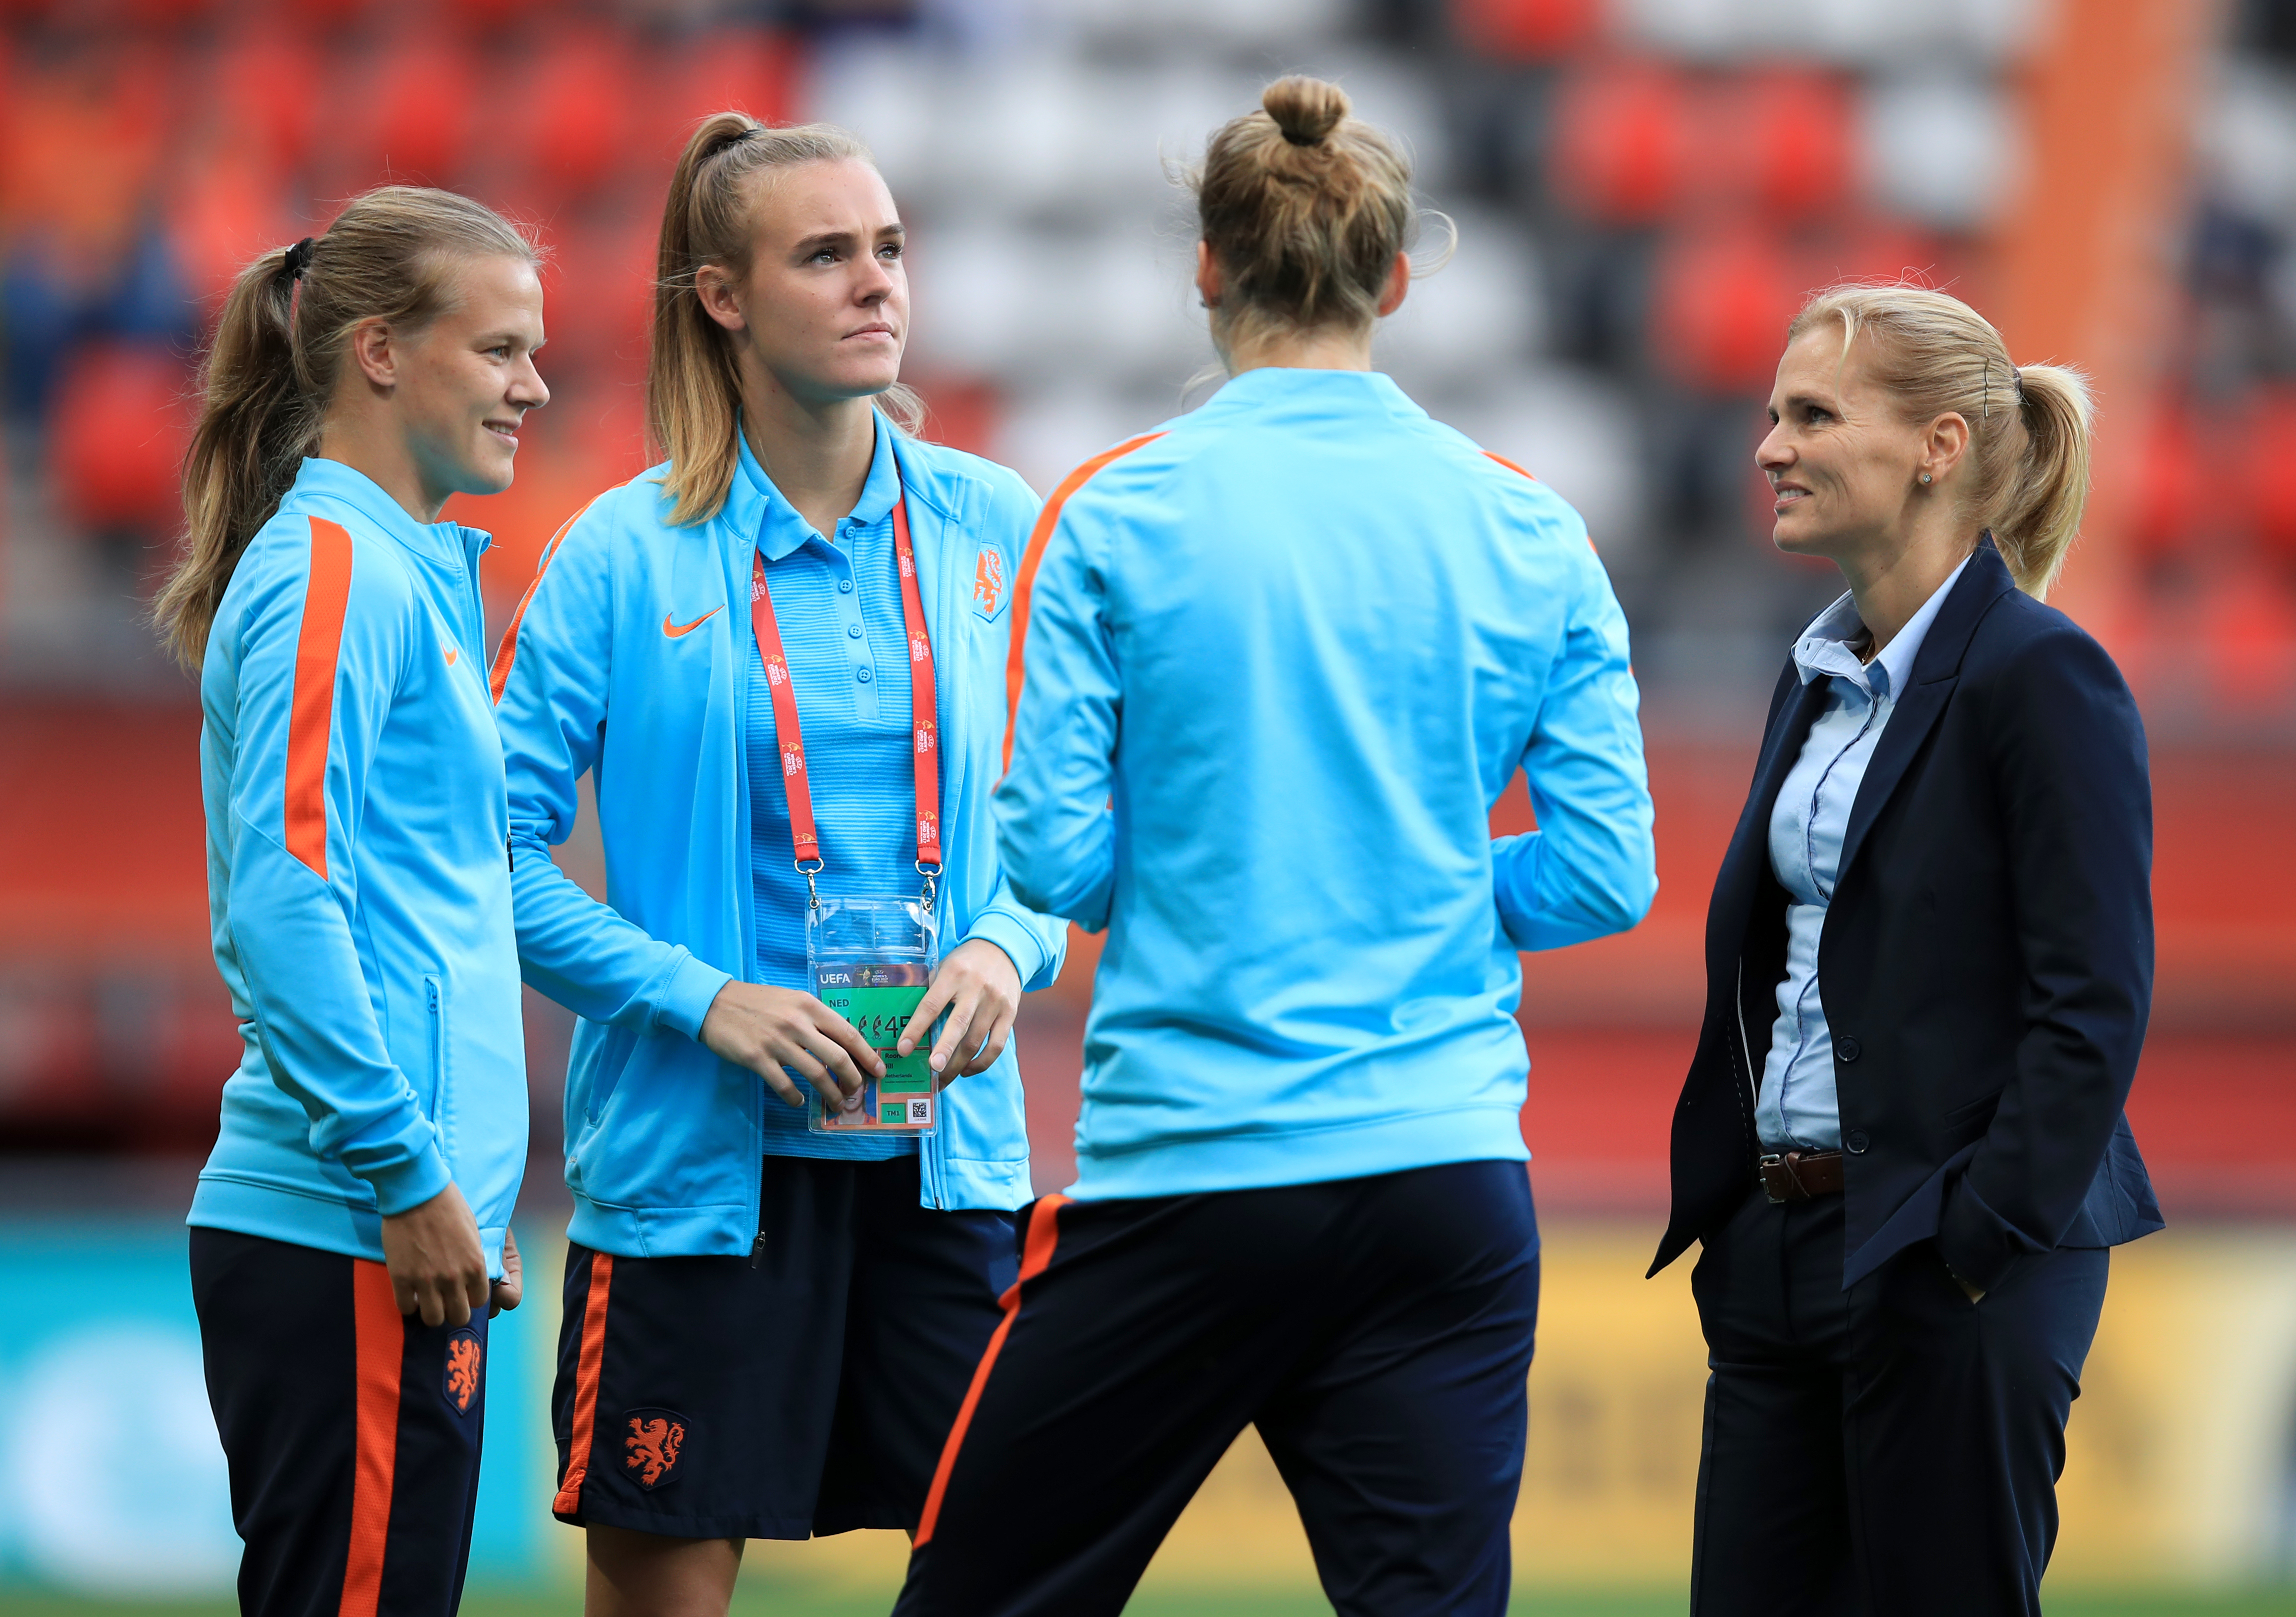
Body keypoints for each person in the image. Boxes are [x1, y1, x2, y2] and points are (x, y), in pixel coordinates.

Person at [896, 76, 1657, 1617]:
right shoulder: (1528, 524)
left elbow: (1046, 855)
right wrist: (1418, 891)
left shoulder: (1115, 511)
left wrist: (1211, 884)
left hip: (1195, 1166)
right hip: (1445, 1172)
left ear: (1205, 269)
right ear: (1392, 278)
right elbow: (1604, 872)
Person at [489, 115, 1067, 1616]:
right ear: (723, 297)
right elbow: (488, 856)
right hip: (697, 1183)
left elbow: (1075, 825)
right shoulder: (617, 557)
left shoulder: (998, 525)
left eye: (889, 249)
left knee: (1010, 1579)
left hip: (948, 1171)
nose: (879, 285)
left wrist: (1007, 945)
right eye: (827, 254)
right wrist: (702, 1000)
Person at [1650, 283, 2163, 1616]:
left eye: (1812, 414)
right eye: (1772, 415)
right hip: (1779, 1247)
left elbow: (2093, 1004)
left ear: (1938, 445)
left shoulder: (2044, 674)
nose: (1769, 448)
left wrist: (1973, 1240)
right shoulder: (1813, 672)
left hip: (1947, 1256)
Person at [162, 187, 549, 1617]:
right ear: (379, 351)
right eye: (501, 348)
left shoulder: (393, 569)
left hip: (398, 1227)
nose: (536, 383)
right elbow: (282, 896)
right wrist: (404, 1167)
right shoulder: (335, 567)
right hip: (353, 1222)